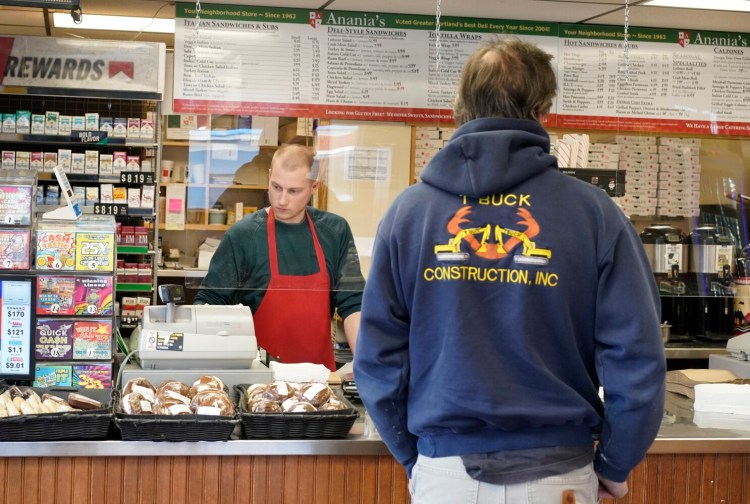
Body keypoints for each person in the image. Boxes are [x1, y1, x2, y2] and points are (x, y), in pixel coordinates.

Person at [353, 37, 666, 503]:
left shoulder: (409, 214)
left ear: (460, 108)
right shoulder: (594, 214)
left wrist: (414, 455)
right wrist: (615, 464)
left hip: (446, 477)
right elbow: (636, 358)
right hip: (560, 477)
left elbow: (377, 359)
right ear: (543, 112)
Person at [194, 144, 364, 371]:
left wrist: (366, 364)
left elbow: (353, 303)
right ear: (269, 177)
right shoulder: (243, 235)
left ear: (314, 186)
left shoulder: (335, 231)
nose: (282, 200)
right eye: (276, 187)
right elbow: (210, 303)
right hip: (258, 382)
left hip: (319, 381)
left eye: (294, 191)